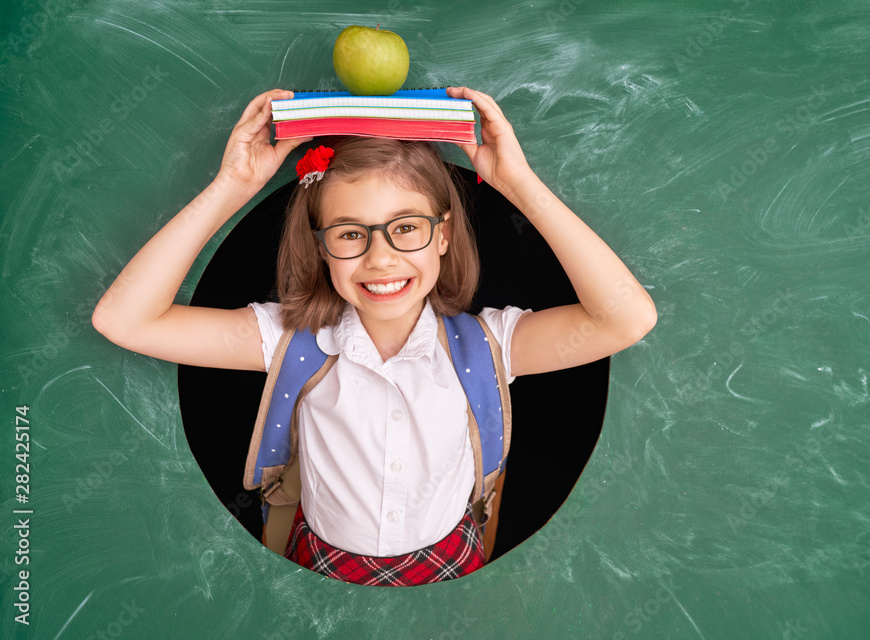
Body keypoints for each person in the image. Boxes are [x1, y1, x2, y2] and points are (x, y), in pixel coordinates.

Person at [92, 86, 657, 586]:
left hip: (453, 568)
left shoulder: (492, 345)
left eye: (406, 227)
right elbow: (125, 320)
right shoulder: (289, 340)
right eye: (349, 233)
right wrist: (232, 186)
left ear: (443, 235)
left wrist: (519, 183)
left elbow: (625, 319)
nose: (380, 257)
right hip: (317, 571)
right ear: (320, 246)